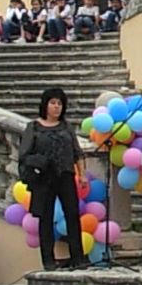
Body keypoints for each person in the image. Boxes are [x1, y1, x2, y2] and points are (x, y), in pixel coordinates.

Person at [18, 87, 87, 271]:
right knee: (45, 217)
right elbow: (24, 154)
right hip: (43, 177)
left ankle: (78, 257)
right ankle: (48, 259)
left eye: (59, 103)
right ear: (45, 105)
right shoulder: (34, 127)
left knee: (72, 214)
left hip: (65, 174)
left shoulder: (66, 127)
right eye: (53, 103)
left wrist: (82, 175)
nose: (56, 107)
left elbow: (77, 152)